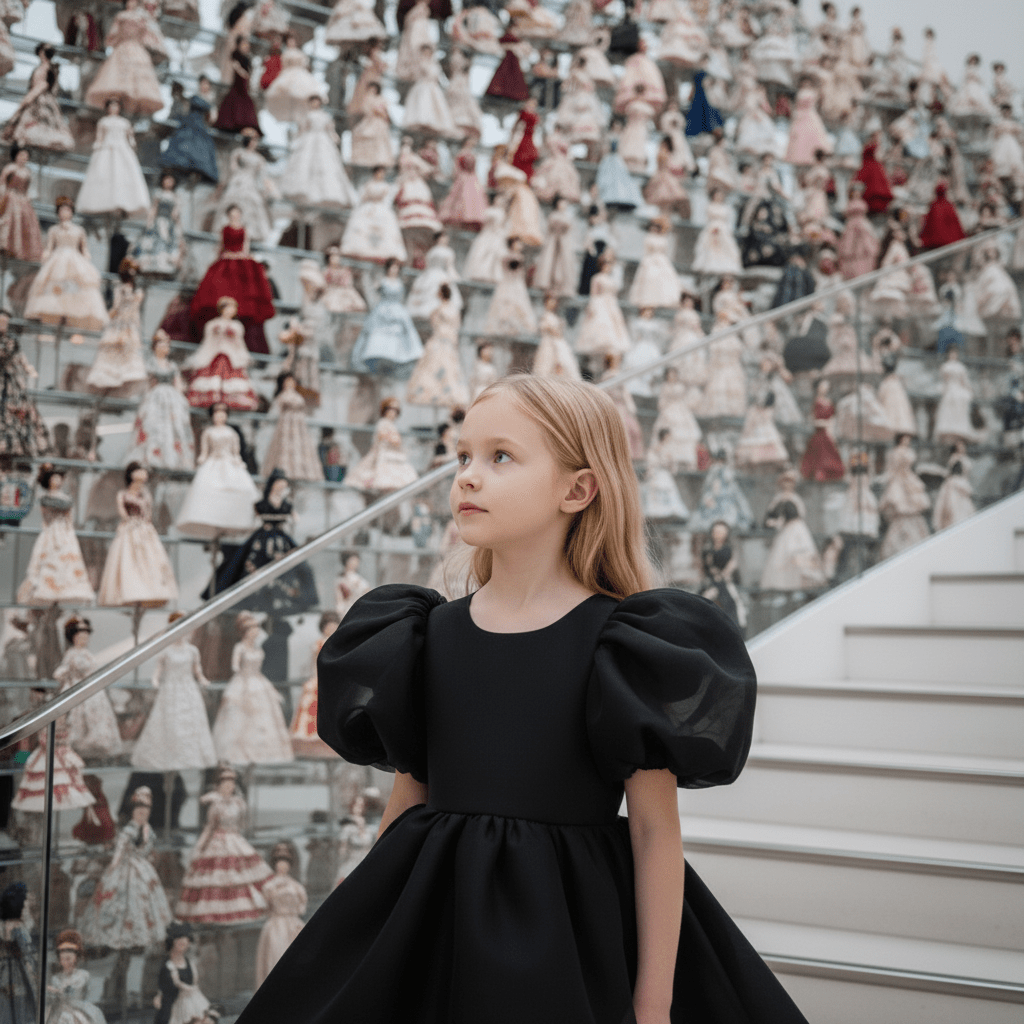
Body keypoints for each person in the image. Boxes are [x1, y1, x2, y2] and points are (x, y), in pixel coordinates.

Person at [235, 374, 808, 1023]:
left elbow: (654, 831)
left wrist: (653, 1003)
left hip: (567, 934)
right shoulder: (423, 636)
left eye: (500, 456)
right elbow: (408, 800)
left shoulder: (624, 648)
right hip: (438, 924)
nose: (468, 477)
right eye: (463, 457)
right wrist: (368, 946)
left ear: (578, 490)